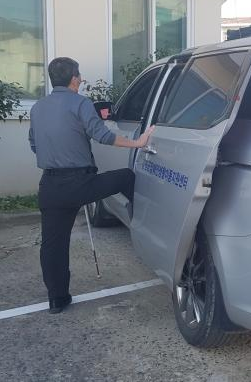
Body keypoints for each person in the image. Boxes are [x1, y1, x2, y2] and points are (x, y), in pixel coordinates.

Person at [28, 57, 153, 314]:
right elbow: (103, 136)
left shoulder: (38, 107)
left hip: (50, 186)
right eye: (80, 75)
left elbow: (34, 144)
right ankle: (146, 225)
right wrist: (138, 143)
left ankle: (57, 299)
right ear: (74, 78)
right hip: (80, 183)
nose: (81, 79)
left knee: (53, 245)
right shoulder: (81, 103)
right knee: (126, 177)